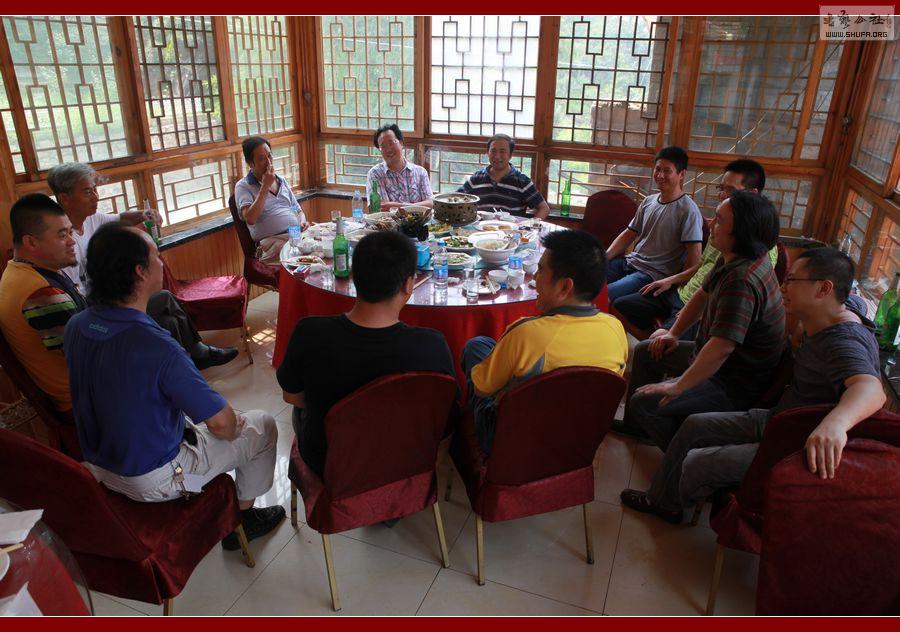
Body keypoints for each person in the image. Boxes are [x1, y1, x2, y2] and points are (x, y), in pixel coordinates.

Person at [620, 248, 884, 524]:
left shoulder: (843, 340)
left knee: (698, 462)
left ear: (824, 289)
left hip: (797, 442)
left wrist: (835, 425)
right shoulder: (834, 310)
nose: (783, 287)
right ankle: (665, 499)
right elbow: (857, 302)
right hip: (778, 419)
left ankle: (681, 498)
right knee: (695, 425)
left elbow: (870, 388)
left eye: (792, 280)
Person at [64, 223, 284, 548]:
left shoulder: (77, 325)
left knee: (200, 421)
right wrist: (232, 425)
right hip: (153, 479)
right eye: (156, 255)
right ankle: (243, 520)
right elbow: (222, 425)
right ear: (140, 272)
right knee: (261, 425)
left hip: (98, 466)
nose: (161, 262)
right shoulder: (155, 346)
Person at [277, 230, 455, 477]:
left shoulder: (309, 333)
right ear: (408, 285)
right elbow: (444, 420)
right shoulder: (432, 346)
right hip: (405, 468)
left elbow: (291, 396)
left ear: (352, 276)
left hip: (329, 466)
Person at [617, 191, 785, 445]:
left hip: (731, 382)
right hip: (716, 360)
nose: (711, 224)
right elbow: (702, 295)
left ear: (741, 232)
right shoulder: (733, 257)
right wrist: (673, 333)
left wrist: (678, 386)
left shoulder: (742, 280)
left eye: (719, 220)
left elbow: (721, 348)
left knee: (646, 402)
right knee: (646, 350)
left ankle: (681, 451)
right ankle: (637, 428)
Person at [47, 162, 237, 370]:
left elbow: (123, 217)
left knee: (170, 322)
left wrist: (146, 214)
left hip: (106, 300)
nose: (96, 197)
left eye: (95, 189)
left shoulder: (92, 219)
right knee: (164, 299)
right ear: (64, 198)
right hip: (95, 311)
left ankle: (187, 363)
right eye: (87, 192)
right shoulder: (63, 242)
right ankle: (195, 356)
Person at [462, 229, 628, 454]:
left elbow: (482, 389)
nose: (535, 278)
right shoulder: (615, 329)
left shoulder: (526, 333)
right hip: (579, 437)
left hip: (514, 441)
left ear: (565, 287)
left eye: (540, 270)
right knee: (485, 346)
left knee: (475, 348)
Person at [613, 159, 777, 340]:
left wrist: (692, 314)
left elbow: (731, 302)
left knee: (658, 339)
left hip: (701, 306)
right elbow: (702, 267)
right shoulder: (720, 231)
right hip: (682, 292)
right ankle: (656, 349)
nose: (723, 195)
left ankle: (661, 348)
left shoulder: (756, 247)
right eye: (721, 188)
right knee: (619, 305)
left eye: (730, 190)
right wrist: (671, 280)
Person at [0, 194, 84, 414]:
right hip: (86, 400)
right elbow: (89, 355)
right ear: (31, 242)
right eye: (62, 235)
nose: (72, 241)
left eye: (71, 232)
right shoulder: (40, 292)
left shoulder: (19, 270)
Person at [604, 146, 703, 303]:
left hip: (651, 275)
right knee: (586, 279)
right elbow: (629, 234)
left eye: (667, 171)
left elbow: (694, 256)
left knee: (604, 295)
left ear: (682, 174)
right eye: (657, 169)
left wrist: (678, 286)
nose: (660, 175)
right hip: (629, 263)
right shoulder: (648, 201)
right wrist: (605, 256)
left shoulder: (688, 210)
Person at [234, 135, 308, 265]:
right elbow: (250, 218)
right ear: (250, 163)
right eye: (261, 159)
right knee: (300, 260)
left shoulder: (281, 181)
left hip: (295, 234)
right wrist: (265, 186)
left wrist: (302, 221)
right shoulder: (243, 186)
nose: (268, 162)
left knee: (321, 245)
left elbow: (297, 209)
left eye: (269, 156)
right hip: (272, 243)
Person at [458, 134, 550, 219]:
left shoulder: (522, 181)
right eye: (493, 151)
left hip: (512, 231)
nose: (497, 156)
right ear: (488, 153)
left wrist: (530, 225)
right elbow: (456, 199)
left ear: (510, 155)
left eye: (502, 151)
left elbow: (544, 208)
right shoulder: (476, 179)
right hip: (480, 230)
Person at [365, 124, 434, 210]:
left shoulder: (420, 172)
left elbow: (430, 203)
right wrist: (416, 207)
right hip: (388, 219)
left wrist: (401, 207)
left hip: (419, 219)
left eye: (391, 143)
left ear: (401, 143)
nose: (388, 149)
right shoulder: (375, 174)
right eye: (383, 146)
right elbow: (381, 206)